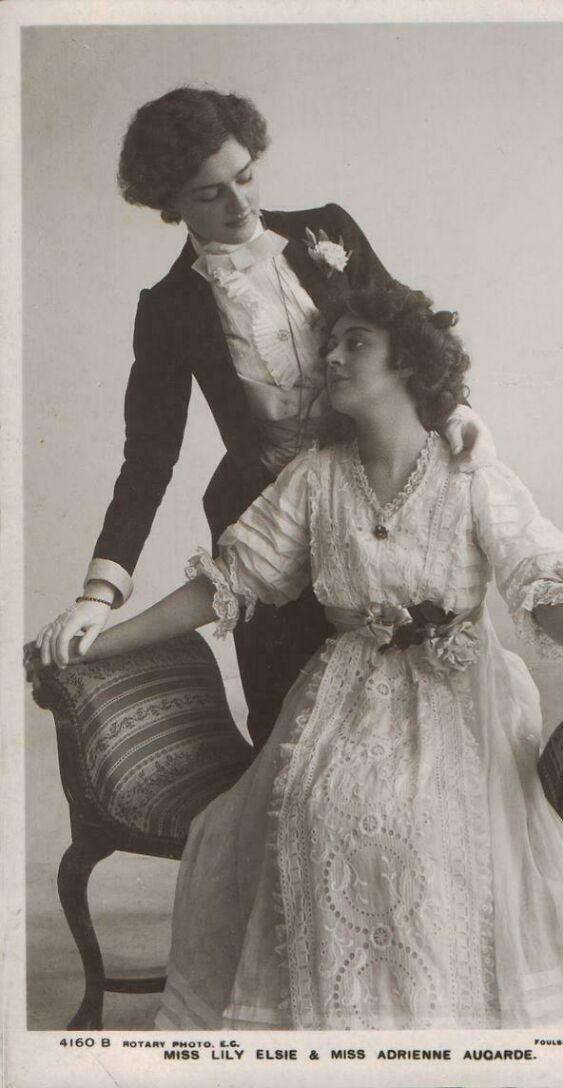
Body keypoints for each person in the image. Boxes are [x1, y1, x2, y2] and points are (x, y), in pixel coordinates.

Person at [59, 283, 563, 1030]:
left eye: (355, 343)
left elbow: (548, 594)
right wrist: (98, 635)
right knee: (318, 811)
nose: (332, 357)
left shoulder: (473, 475)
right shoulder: (315, 478)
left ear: (408, 364)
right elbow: (224, 585)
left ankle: (434, 1022)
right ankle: (340, 1016)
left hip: (460, 693)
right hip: (343, 693)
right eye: (331, 343)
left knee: (423, 828)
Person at [35, 87, 494, 749]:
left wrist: (454, 413)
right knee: (288, 728)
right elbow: (149, 455)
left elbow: (410, 332)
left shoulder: (326, 229)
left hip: (378, 503)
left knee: (408, 707)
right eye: (209, 193)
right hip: (265, 519)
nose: (239, 203)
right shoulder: (168, 307)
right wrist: (98, 593)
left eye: (245, 177)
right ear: (169, 204)